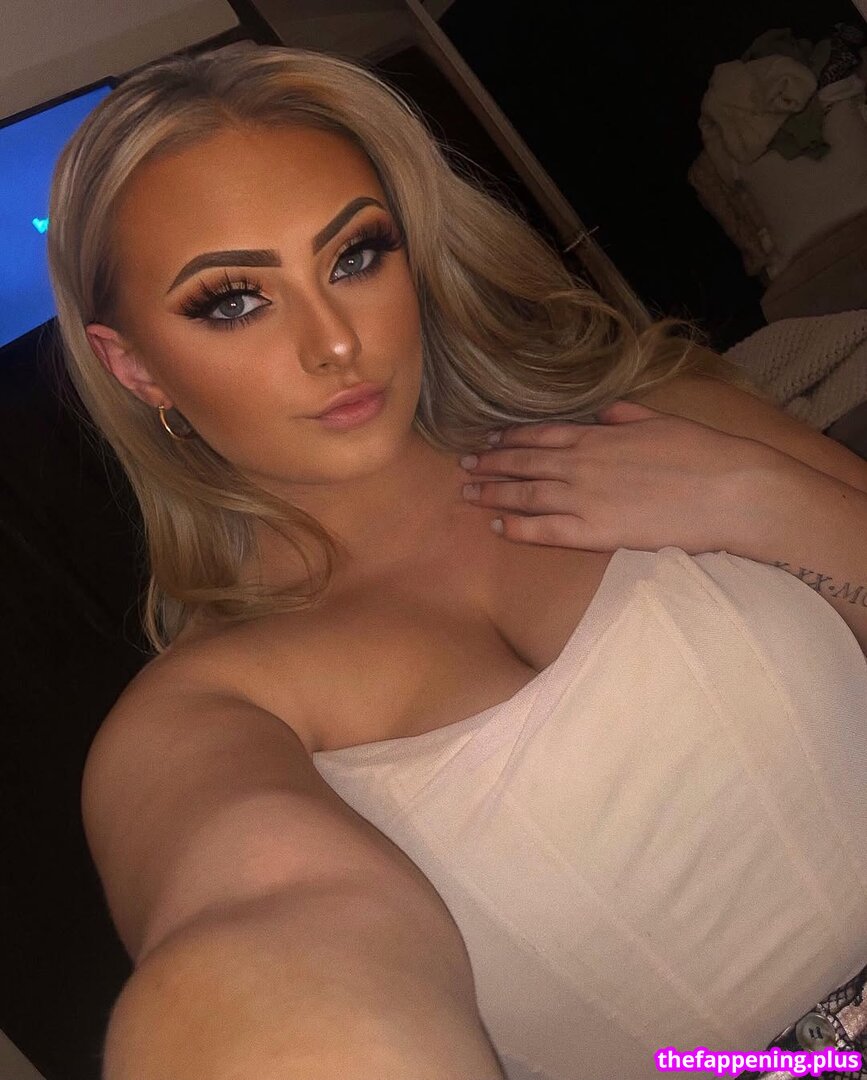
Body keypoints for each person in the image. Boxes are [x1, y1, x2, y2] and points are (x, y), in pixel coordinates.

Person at [46, 42, 867, 1080]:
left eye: (355, 256)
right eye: (232, 301)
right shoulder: (199, 719)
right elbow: (258, 939)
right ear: (134, 368)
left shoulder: (656, 417)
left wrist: (764, 500)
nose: (334, 343)